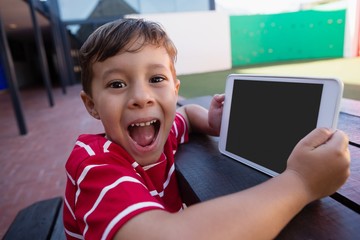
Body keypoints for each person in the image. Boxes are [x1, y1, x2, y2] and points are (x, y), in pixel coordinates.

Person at [63, 18, 350, 240]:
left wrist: (210, 123)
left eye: (156, 78)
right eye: (117, 84)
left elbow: (186, 114)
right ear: (92, 105)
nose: (142, 97)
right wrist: (300, 182)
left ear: (175, 90)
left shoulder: (161, 133)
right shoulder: (96, 165)